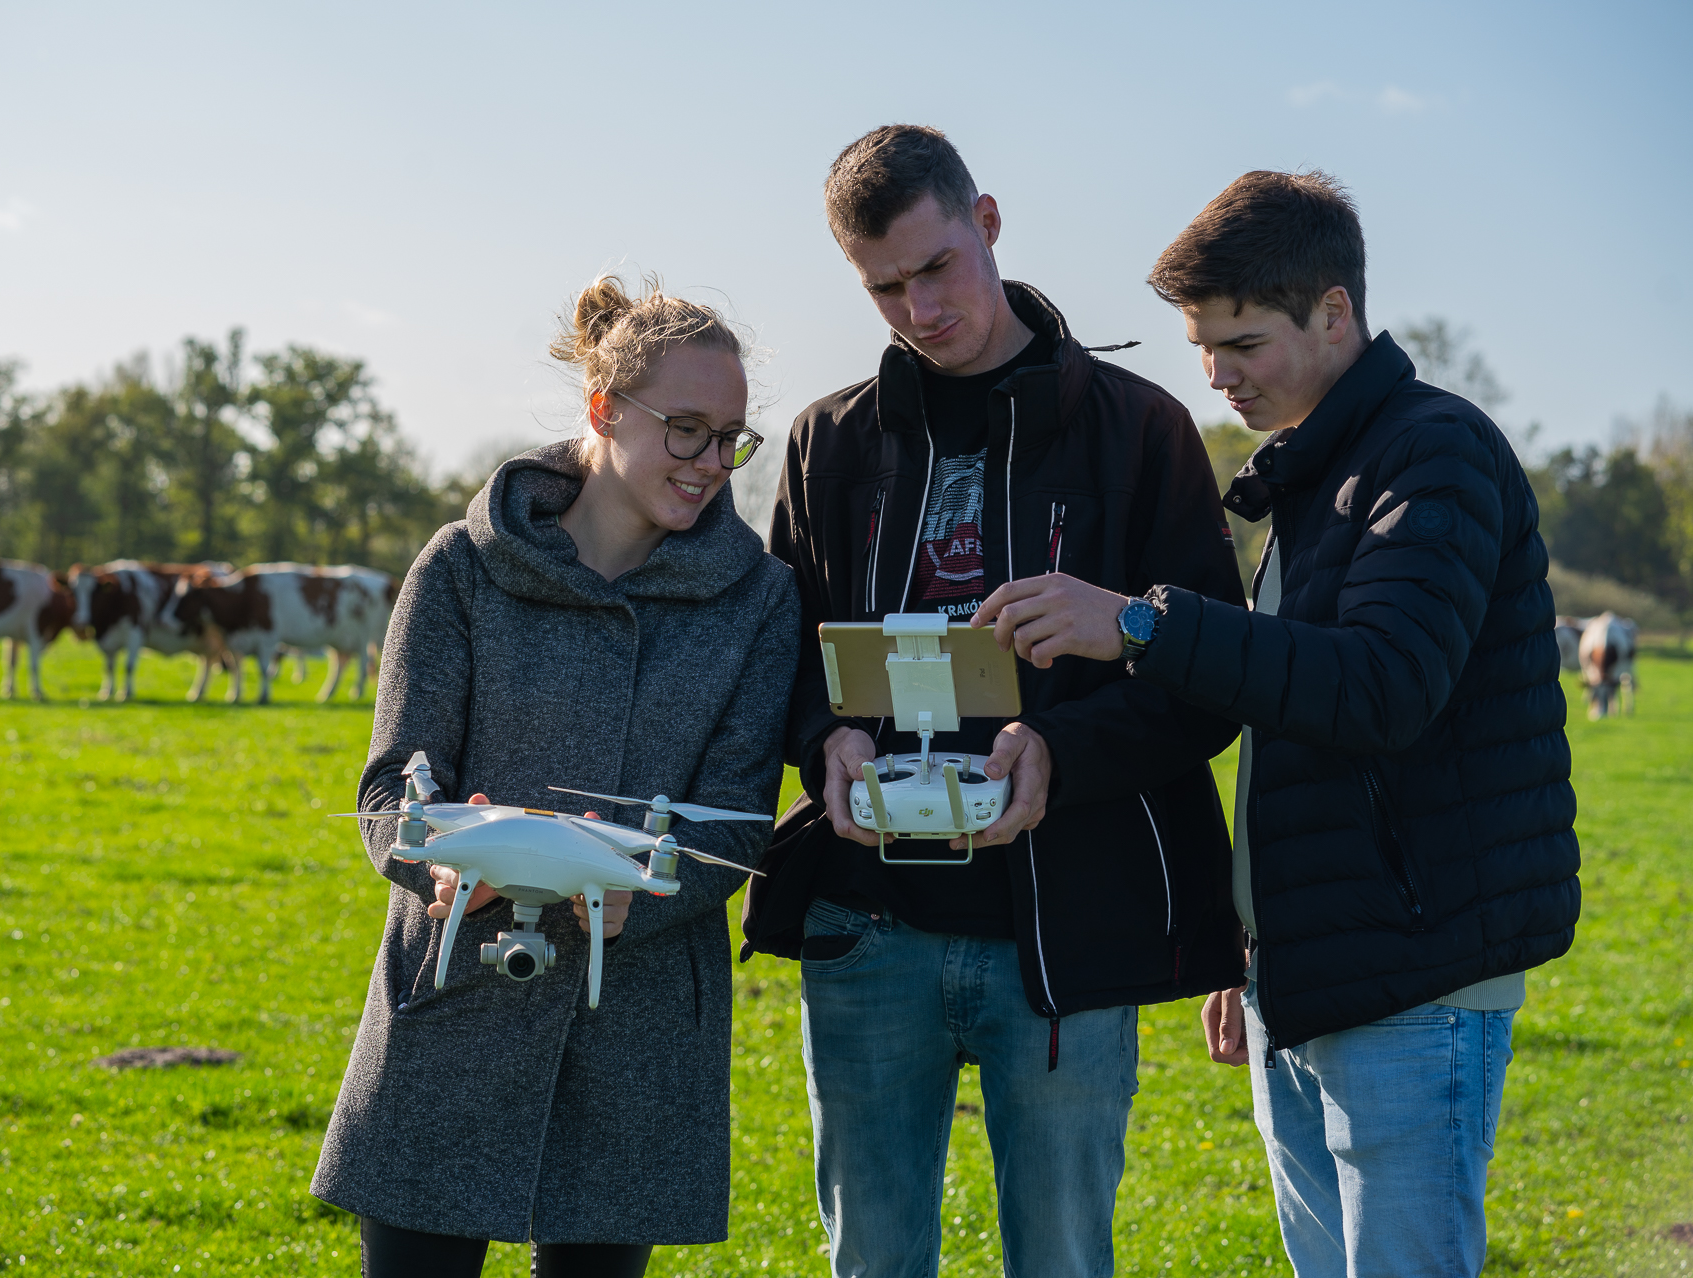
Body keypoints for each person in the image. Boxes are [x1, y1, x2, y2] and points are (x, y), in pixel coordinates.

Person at [981, 169, 1580, 1277]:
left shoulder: (1430, 452)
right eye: (1202, 346)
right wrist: (1250, 945)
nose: (1214, 375)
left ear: (1334, 313)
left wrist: (1144, 627)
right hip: (1310, 971)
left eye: (1242, 342)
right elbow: (1291, 718)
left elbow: (1379, 688)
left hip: (1414, 979)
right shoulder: (1322, 471)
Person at [744, 124, 1248, 1278]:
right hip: (866, 929)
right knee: (872, 1258)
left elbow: (1203, 684)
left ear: (986, 222)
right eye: (883, 288)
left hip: (1063, 934)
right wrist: (825, 738)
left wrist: (1058, 753)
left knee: (1061, 1260)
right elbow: (780, 657)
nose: (919, 309)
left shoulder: (1139, 430)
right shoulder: (826, 442)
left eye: (934, 268)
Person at [311, 276, 800, 1277]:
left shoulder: (758, 598)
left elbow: (740, 820)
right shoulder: (459, 567)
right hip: (454, 996)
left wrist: (649, 896)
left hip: (639, 1019)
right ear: (602, 412)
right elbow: (387, 789)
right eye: (686, 431)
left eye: (731, 438)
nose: (712, 463)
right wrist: (434, 865)